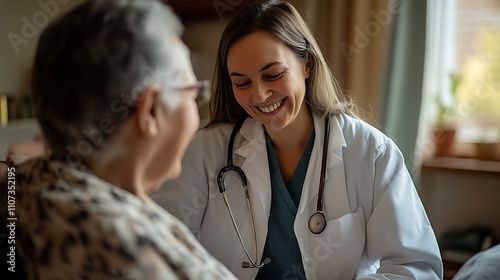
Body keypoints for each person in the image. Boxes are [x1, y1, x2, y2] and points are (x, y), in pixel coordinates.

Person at [151, 0, 443, 279]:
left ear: (307, 65)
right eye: (242, 83)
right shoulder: (206, 150)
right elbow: (159, 247)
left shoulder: (371, 152)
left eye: (273, 74)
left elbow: (415, 267)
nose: (260, 95)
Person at [0, 0, 238, 279]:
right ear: (149, 109)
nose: (196, 109)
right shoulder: (146, 265)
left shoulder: (23, 191)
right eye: (192, 94)